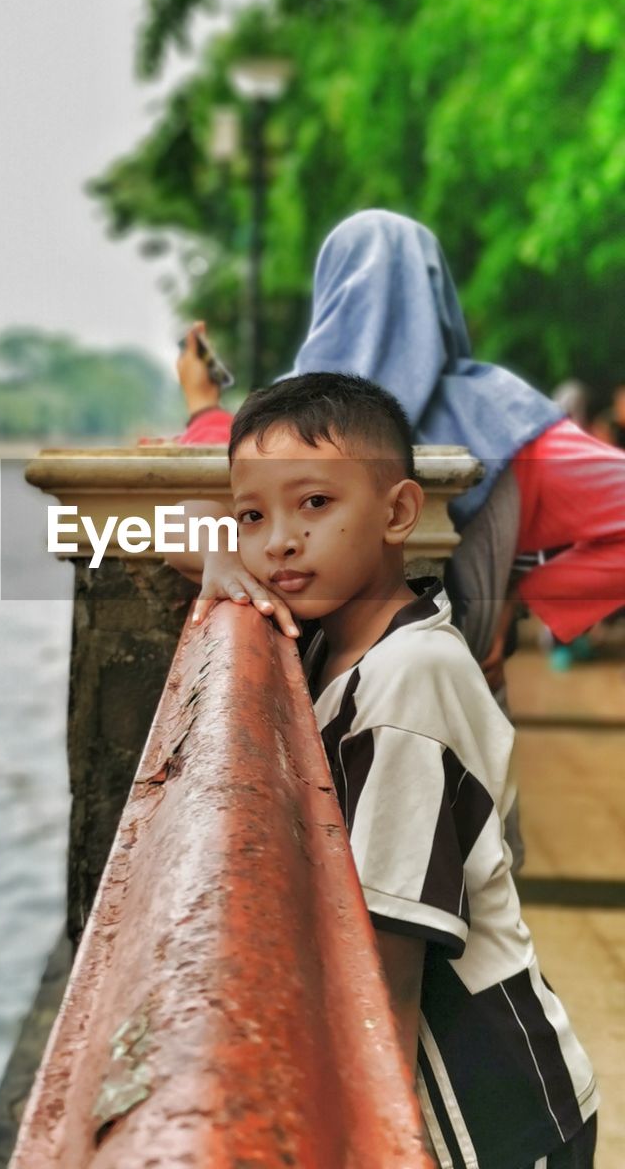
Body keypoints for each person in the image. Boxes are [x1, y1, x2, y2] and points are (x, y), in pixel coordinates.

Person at [207, 371, 598, 1169]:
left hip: (488, 1114)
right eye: (254, 516)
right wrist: (213, 559)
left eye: (316, 504)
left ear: (397, 512)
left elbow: (384, 968)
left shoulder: (406, 680)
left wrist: (371, 1144)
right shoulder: (334, 628)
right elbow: (149, 525)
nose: (279, 539)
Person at [175, 210, 625, 701]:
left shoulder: (295, 414)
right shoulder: (507, 417)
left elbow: (197, 484)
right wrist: (516, 597)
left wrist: (202, 405)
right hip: (461, 692)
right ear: (437, 298)